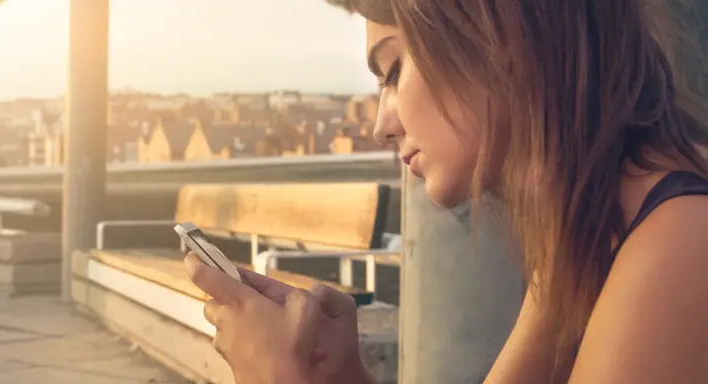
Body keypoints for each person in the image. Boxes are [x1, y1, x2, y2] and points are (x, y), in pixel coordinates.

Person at [184, 0, 708, 383]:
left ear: (497, 32)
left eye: (393, 70)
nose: (381, 125)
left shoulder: (680, 248)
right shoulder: (590, 231)